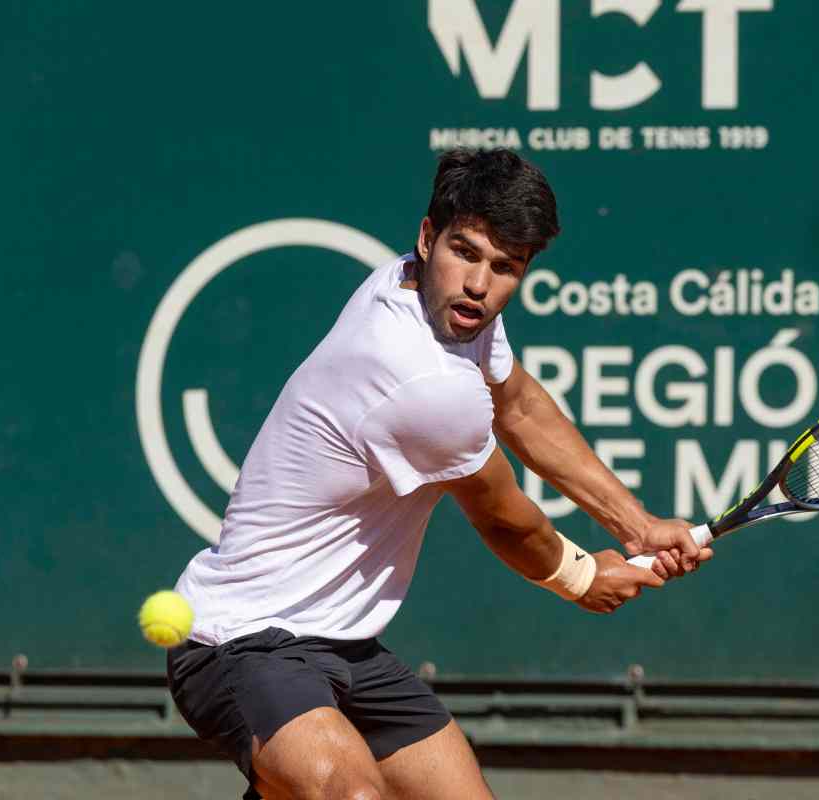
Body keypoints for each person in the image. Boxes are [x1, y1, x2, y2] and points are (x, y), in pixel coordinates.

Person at [166, 148, 714, 800]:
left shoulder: (430, 298)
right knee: (354, 796)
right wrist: (583, 577)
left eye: (505, 268)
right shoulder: (419, 376)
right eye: (467, 252)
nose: (480, 284)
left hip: (344, 645)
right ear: (427, 238)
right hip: (242, 641)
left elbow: (519, 407)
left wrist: (639, 526)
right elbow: (505, 518)